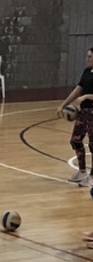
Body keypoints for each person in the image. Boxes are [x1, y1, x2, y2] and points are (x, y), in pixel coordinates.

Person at [57, 47, 93, 187]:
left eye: (90, 56)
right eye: (87, 56)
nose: (87, 58)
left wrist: (87, 96)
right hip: (83, 112)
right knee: (76, 140)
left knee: (92, 144)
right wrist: (63, 105)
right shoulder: (86, 72)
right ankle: (82, 171)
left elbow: (83, 94)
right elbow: (78, 89)